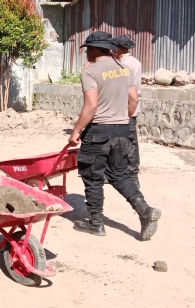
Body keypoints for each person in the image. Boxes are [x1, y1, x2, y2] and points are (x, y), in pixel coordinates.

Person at [67, 31, 160, 241]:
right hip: (122, 130)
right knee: (120, 174)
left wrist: (76, 131)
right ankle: (144, 210)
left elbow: (91, 106)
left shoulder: (90, 72)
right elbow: (134, 100)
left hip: (99, 131)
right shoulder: (123, 68)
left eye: (87, 49)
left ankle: (96, 223)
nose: (86, 54)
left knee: (92, 176)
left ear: (93, 49)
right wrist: (121, 119)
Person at [112, 35, 142, 189]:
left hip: (126, 107)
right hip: (130, 106)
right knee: (129, 141)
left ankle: (132, 175)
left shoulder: (123, 65)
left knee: (128, 143)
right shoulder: (134, 62)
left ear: (118, 49)